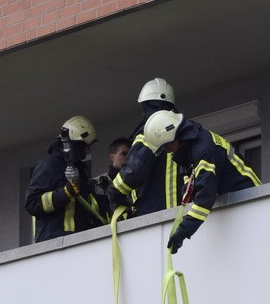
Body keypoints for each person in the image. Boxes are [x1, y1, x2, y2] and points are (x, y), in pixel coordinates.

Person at [142, 110, 261, 254]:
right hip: (236, 200)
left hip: (249, 199)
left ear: (174, 135)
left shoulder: (203, 150)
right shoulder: (191, 146)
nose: (168, 152)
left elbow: (205, 198)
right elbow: (190, 174)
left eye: (167, 146)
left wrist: (182, 232)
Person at [107, 78, 185, 216]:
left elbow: (134, 170)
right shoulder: (183, 132)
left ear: (146, 106)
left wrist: (114, 193)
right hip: (183, 212)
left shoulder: (149, 132)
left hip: (154, 214)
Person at [24, 116, 104, 243]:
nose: (85, 152)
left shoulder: (79, 170)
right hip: (55, 242)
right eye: (84, 147)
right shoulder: (49, 165)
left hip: (79, 240)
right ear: (75, 145)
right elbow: (32, 203)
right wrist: (64, 193)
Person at [90, 137, 131, 218]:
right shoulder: (97, 184)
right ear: (112, 157)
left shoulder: (137, 181)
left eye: (130, 154)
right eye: (124, 154)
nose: (128, 158)